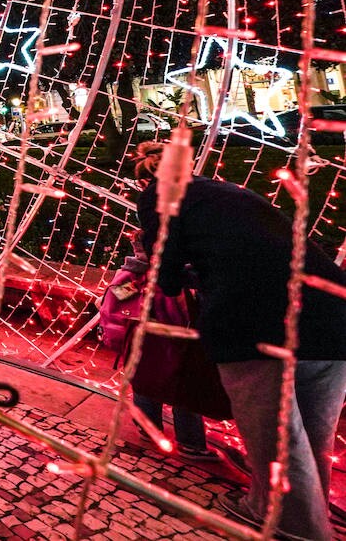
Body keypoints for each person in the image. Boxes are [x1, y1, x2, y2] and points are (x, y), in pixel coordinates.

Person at [135, 141, 346, 540]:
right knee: (314, 434)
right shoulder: (230, 191)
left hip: (254, 317)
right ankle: (306, 513)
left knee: (273, 432)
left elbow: (165, 264)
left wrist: (176, 277)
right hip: (332, 308)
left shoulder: (157, 194)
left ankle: (291, 525)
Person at [97, 233, 216, 461]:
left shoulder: (133, 275)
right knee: (184, 389)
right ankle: (190, 443)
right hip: (173, 341)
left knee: (145, 383)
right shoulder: (176, 276)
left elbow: (115, 300)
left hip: (141, 340)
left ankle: (148, 428)